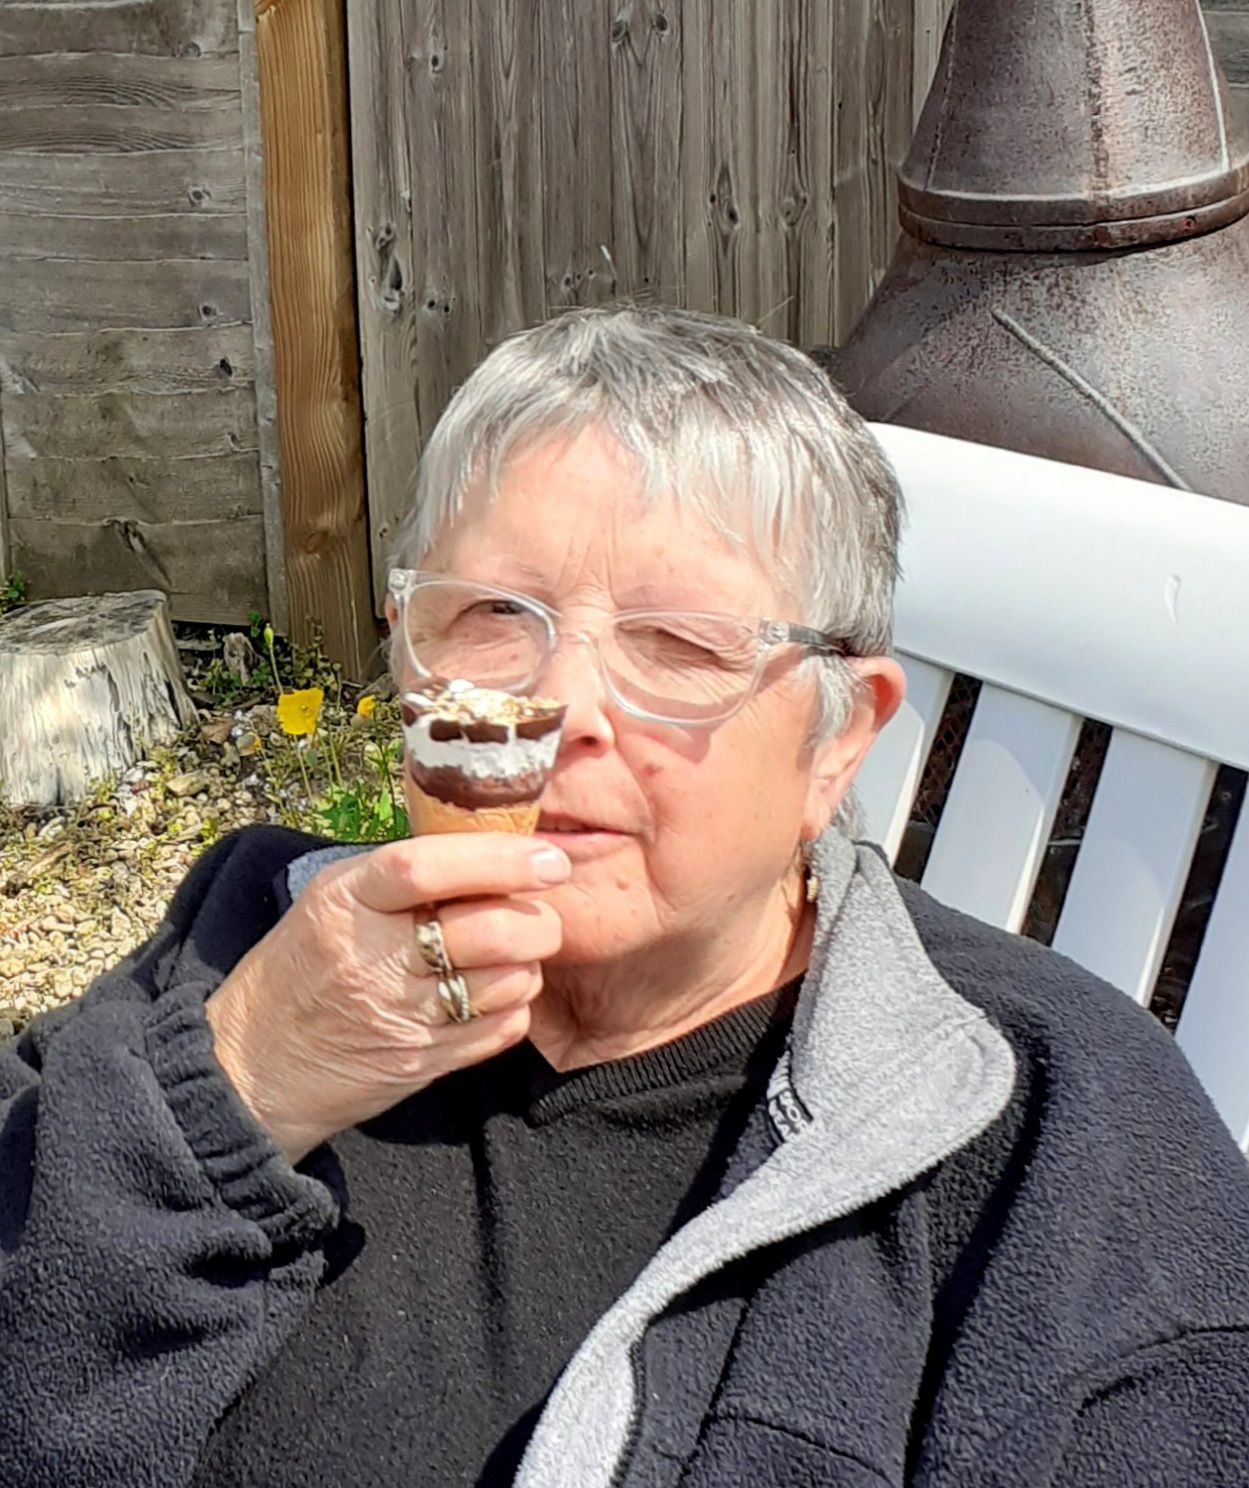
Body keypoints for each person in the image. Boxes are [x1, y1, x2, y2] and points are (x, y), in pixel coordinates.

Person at [3, 306, 1248, 1488]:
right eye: (494, 612)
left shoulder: (1062, 1138)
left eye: (683, 643)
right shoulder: (254, 937)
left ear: (837, 743)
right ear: (401, 652)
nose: (565, 715)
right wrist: (232, 1095)